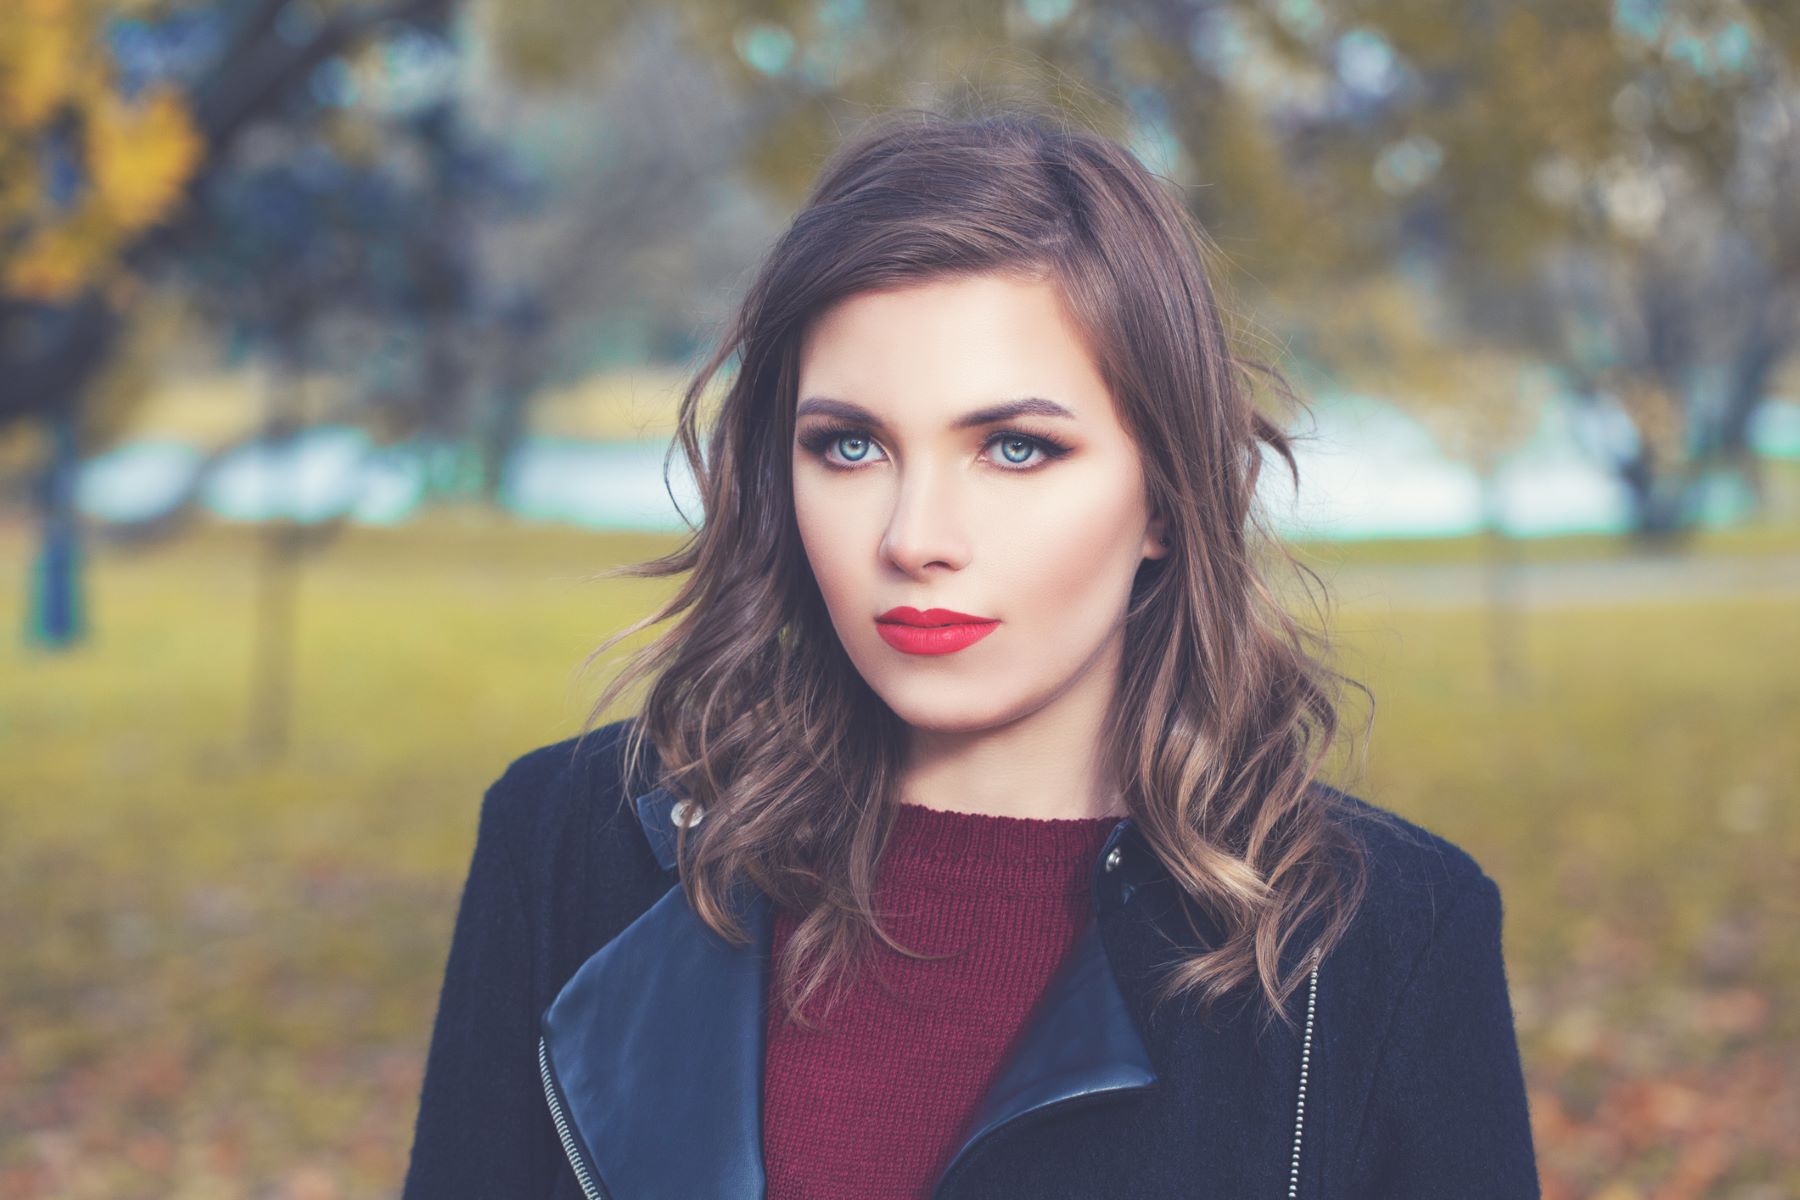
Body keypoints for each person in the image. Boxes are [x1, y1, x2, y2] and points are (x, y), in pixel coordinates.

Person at [399, 108, 1540, 1200]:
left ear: (1165, 496)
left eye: (1015, 448)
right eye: (849, 446)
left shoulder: (1378, 937)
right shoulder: (568, 845)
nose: (914, 538)